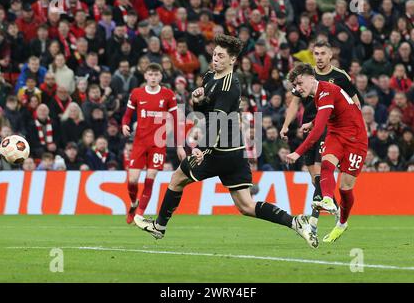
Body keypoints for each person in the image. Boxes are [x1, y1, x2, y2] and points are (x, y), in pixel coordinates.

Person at [134, 34, 318, 249]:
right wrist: (197, 100)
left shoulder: (230, 85)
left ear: (232, 60)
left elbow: (219, 121)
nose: (216, 59)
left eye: (221, 56)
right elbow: (204, 113)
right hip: (234, 151)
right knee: (246, 205)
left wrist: (202, 149)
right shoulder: (210, 77)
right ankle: (296, 222)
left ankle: (160, 226)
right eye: (214, 55)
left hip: (218, 150)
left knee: (176, 179)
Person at [280, 40, 360, 234]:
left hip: (328, 128)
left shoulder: (340, 77)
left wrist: (355, 130)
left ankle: (313, 224)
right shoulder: (305, 77)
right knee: (316, 178)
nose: (319, 57)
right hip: (308, 129)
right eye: (316, 54)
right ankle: (337, 212)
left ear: (330, 55)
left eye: (323, 53)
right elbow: (294, 103)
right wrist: (285, 125)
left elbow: (355, 103)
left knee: (321, 169)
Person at [121, 63, 186, 225]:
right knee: (132, 180)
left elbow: (177, 120)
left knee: (150, 178)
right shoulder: (136, 93)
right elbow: (127, 115)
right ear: (145, 76)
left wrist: (179, 145)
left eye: (156, 75)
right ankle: (133, 203)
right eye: (150, 74)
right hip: (140, 143)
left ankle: (139, 215)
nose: (153, 78)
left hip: (158, 144)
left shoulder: (168, 95)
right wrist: (124, 124)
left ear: (161, 77)